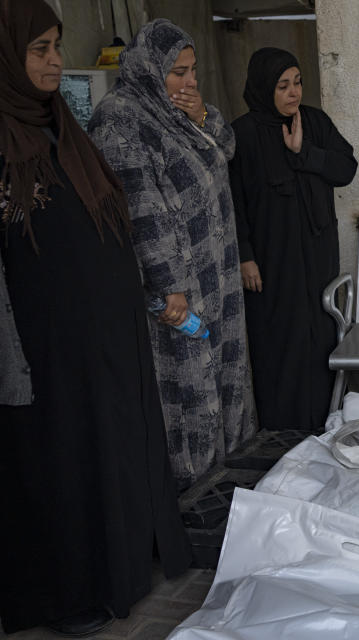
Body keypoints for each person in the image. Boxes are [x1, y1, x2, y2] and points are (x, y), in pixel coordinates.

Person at [0, 1, 191, 635]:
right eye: (40, 50)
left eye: (58, 47)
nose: (56, 61)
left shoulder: (62, 128)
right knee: (67, 460)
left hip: (108, 331)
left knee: (115, 445)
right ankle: (71, 594)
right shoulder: (4, 141)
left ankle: (129, 566)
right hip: (47, 348)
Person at [88, 19, 256, 487]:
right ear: (148, 69)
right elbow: (140, 209)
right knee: (187, 391)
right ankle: (190, 492)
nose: (189, 82)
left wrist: (203, 114)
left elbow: (227, 149)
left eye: (193, 70)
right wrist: (169, 287)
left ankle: (227, 479)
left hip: (213, 276)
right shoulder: (120, 119)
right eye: (177, 72)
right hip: (175, 290)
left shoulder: (179, 110)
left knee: (222, 375)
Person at [229, 48, 357, 429]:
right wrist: (245, 255)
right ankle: (279, 428)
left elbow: (346, 168)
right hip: (272, 259)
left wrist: (306, 153)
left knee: (320, 335)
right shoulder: (244, 135)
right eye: (283, 85)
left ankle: (323, 419)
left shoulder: (314, 123)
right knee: (279, 340)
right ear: (264, 87)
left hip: (318, 254)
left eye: (298, 82)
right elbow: (234, 200)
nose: (293, 93)